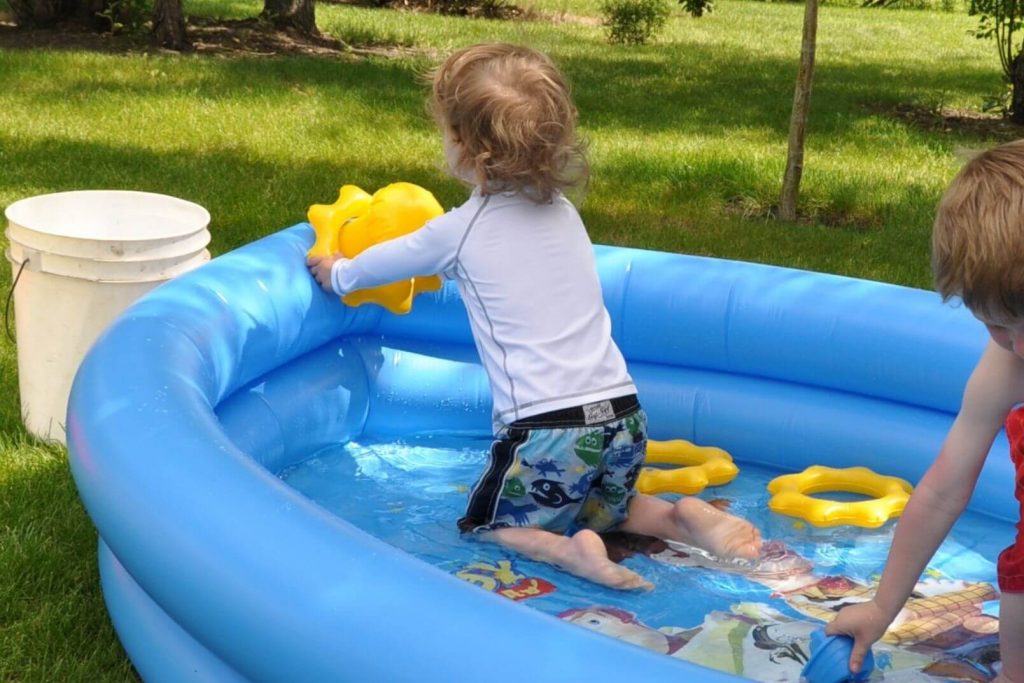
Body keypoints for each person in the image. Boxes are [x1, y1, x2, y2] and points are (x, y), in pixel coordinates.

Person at [308, 42, 762, 590]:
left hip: (547, 429)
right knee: (608, 509)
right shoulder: (563, 212)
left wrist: (332, 267)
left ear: (465, 147)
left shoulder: (460, 229)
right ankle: (681, 518)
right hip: (621, 414)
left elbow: (367, 270)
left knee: (487, 527)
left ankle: (571, 555)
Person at [826, 140, 1024, 682]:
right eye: (996, 325)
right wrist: (881, 607)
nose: (1016, 345)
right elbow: (943, 490)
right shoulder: (1008, 360)